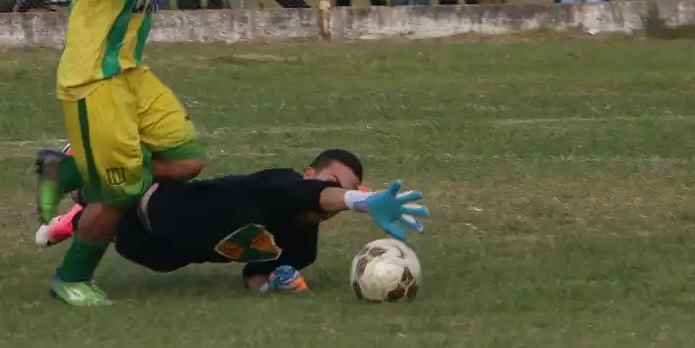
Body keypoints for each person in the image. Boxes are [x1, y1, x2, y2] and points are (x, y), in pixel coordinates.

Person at [39, 0, 210, 308]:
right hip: (95, 76)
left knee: (187, 158)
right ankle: (71, 277)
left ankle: (68, 170)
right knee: (119, 193)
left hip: (130, 70)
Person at [36, 149, 427, 294]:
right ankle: (78, 164)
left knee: (107, 222)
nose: (338, 197)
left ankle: (78, 216)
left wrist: (275, 284)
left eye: (350, 192)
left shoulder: (304, 248)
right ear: (310, 174)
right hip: (155, 201)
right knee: (105, 192)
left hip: (155, 252)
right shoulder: (283, 183)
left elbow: (254, 276)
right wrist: (365, 201)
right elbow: (314, 195)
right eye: (335, 184)